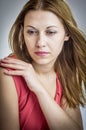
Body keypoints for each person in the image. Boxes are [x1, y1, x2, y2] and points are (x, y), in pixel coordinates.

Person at [0, 0, 86, 130]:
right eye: (31, 32)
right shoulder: (8, 73)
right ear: (23, 33)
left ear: (66, 34)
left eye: (50, 32)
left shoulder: (66, 69)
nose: (40, 43)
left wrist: (39, 89)